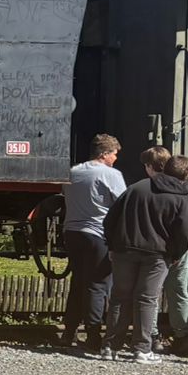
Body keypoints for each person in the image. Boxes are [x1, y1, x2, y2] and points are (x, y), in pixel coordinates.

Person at [102, 146, 188, 362]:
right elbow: (184, 233)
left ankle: (110, 347)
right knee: (147, 299)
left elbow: (110, 219)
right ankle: (142, 349)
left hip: (125, 250)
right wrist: (176, 254)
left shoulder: (136, 188)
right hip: (158, 255)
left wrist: (113, 245)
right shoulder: (182, 199)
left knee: (119, 297)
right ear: (185, 175)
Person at [61, 134, 123, 357]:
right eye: (114, 154)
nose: (116, 158)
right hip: (97, 234)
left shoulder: (73, 172)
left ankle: (69, 332)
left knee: (78, 281)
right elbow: (122, 204)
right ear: (104, 154)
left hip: (72, 233)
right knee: (97, 285)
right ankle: (93, 336)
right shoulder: (111, 175)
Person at [160, 154, 188, 357]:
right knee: (179, 292)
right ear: (185, 175)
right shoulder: (185, 194)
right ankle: (181, 335)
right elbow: (185, 231)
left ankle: (149, 335)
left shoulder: (150, 189)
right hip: (177, 250)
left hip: (155, 248)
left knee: (150, 294)